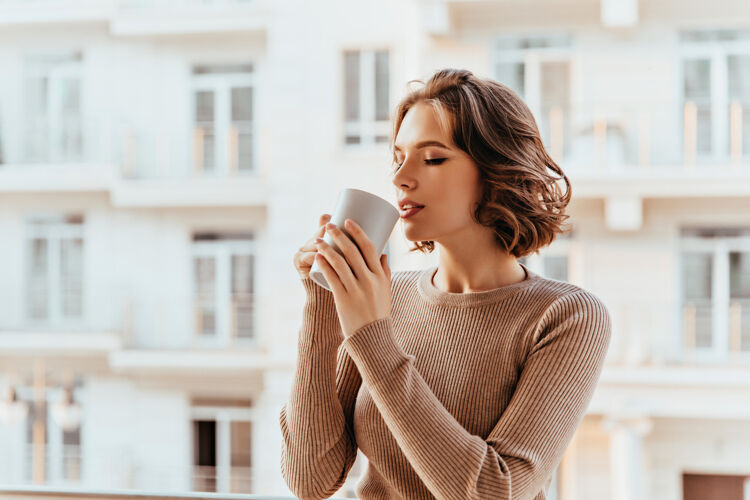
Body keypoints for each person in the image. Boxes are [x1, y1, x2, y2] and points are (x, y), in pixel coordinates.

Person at [282, 68, 612, 500]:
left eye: (433, 158)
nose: (401, 177)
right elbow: (311, 480)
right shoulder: (385, 298)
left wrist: (372, 336)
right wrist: (323, 302)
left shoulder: (567, 316)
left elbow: (496, 490)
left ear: (497, 172)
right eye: (398, 157)